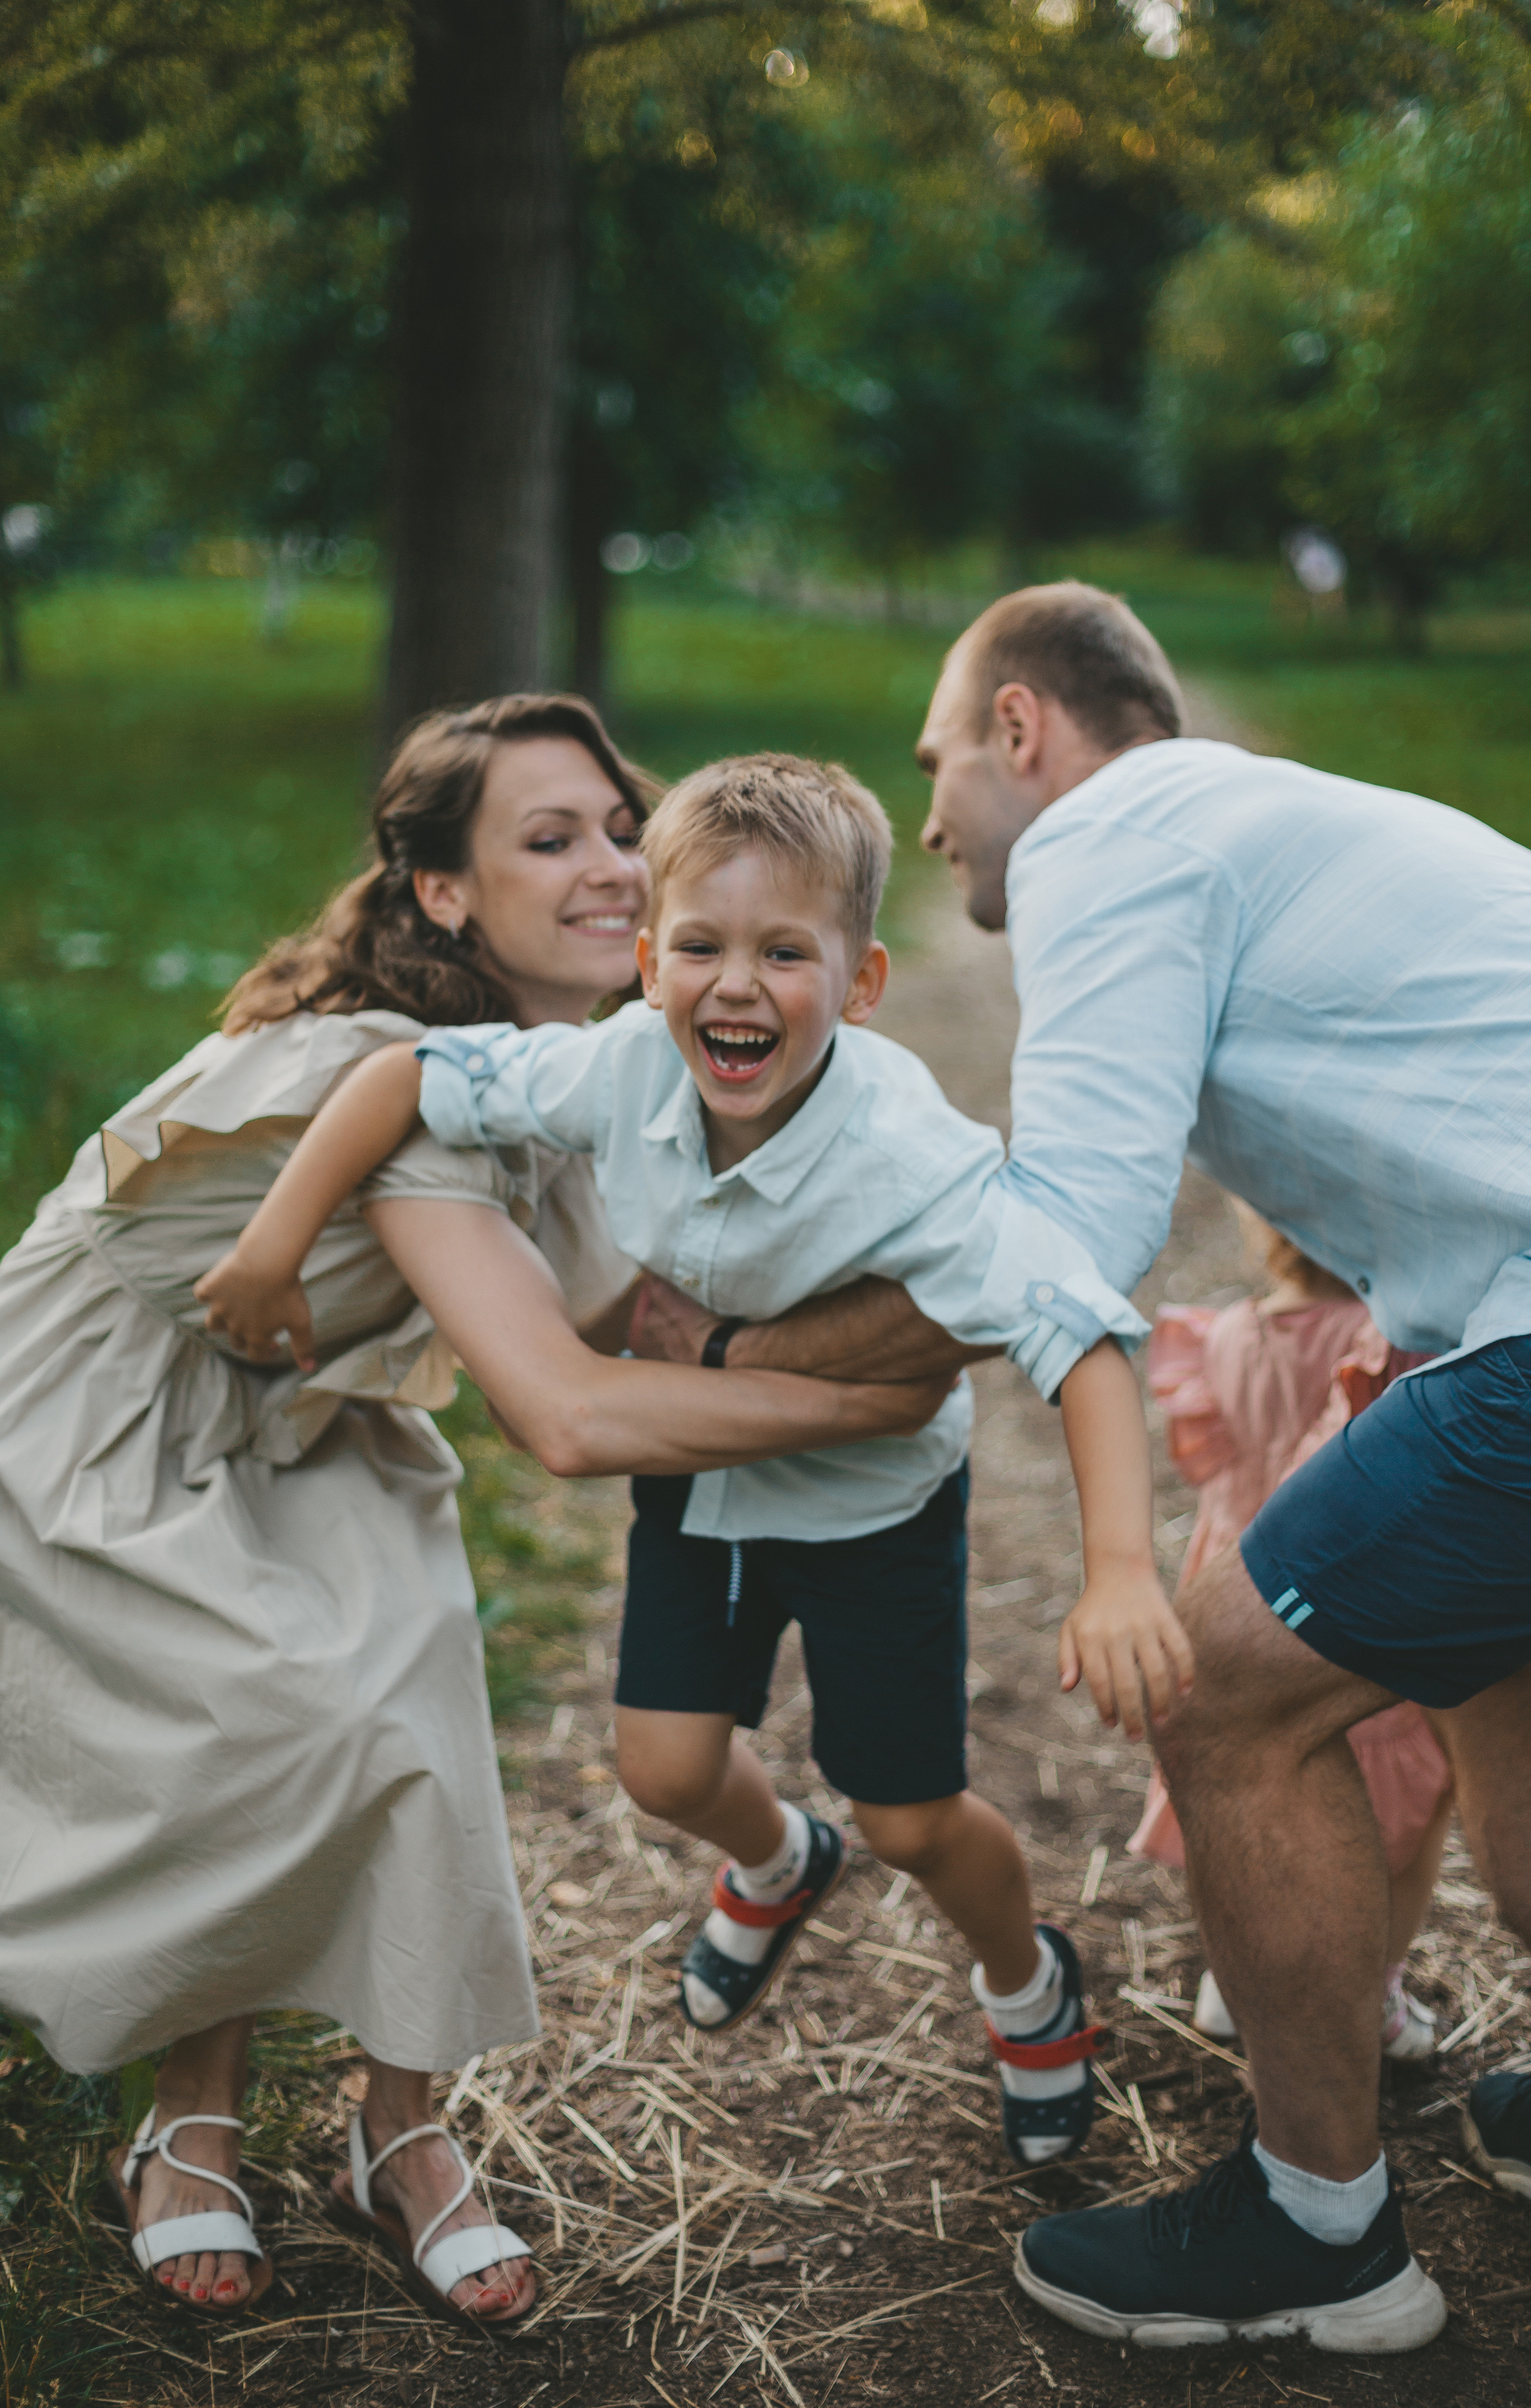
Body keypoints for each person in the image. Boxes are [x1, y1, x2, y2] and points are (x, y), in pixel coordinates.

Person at [637, 583, 1531, 2353]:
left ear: (1024, 730)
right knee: (1473, 1650)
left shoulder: (1115, 827)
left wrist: (739, 1358)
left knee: (1231, 1696)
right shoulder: (1277, 822)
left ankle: (1319, 2231)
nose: (928, 820)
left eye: (939, 762)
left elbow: (1069, 1242)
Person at [0, 696, 943, 2327]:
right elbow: (572, 1417)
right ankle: (187, 2117)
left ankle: (402, 2133)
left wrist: (941, 1283)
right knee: (277, 1709)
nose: (607, 867)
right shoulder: (394, 1078)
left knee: (415, 1685)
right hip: (103, 1411)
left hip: (300, 1403)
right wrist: (876, 1398)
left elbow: (664, 1320)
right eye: (546, 838)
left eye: (614, 829)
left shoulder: (566, 1079)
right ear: (442, 893)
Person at [196, 751, 1186, 2169]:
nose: (736, 987)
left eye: (785, 953)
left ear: (858, 984)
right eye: (703, 949)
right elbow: (406, 1076)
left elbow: (1080, 1338)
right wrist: (271, 1245)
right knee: (663, 1771)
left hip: (871, 1517)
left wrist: (1115, 1572)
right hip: (703, 1486)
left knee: (907, 1815)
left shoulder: (912, 1153)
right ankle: (782, 1858)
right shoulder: (618, 1066)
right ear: (648, 964)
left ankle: (1025, 1982)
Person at [1130, 1210, 1453, 2063]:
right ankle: (1373, 1989)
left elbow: (1217, 1467)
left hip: (1232, 1587)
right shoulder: (1386, 1342)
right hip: (1343, 1601)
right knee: (1396, 1821)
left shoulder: (1226, 1334)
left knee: (1241, 1796)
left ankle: (1238, 1974)